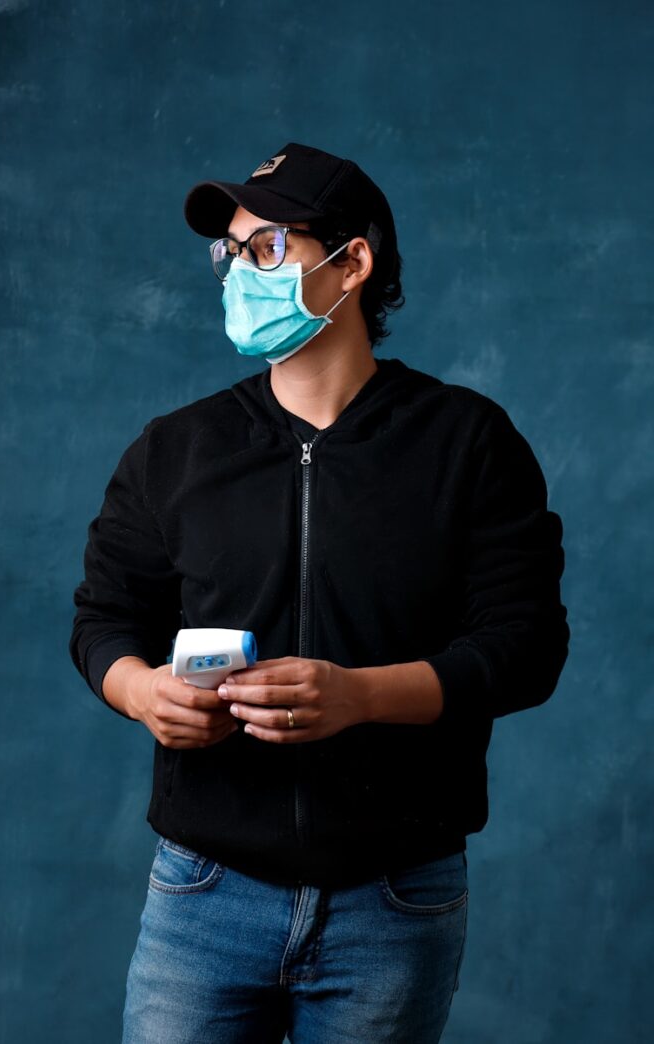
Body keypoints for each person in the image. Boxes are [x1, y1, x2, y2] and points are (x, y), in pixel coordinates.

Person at [70, 142, 569, 1043]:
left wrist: (361, 695)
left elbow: (526, 647)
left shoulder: (468, 444)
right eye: (230, 253)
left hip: (397, 896)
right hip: (202, 891)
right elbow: (105, 619)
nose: (238, 274)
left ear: (352, 263)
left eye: (268, 249)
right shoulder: (174, 450)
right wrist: (142, 692)